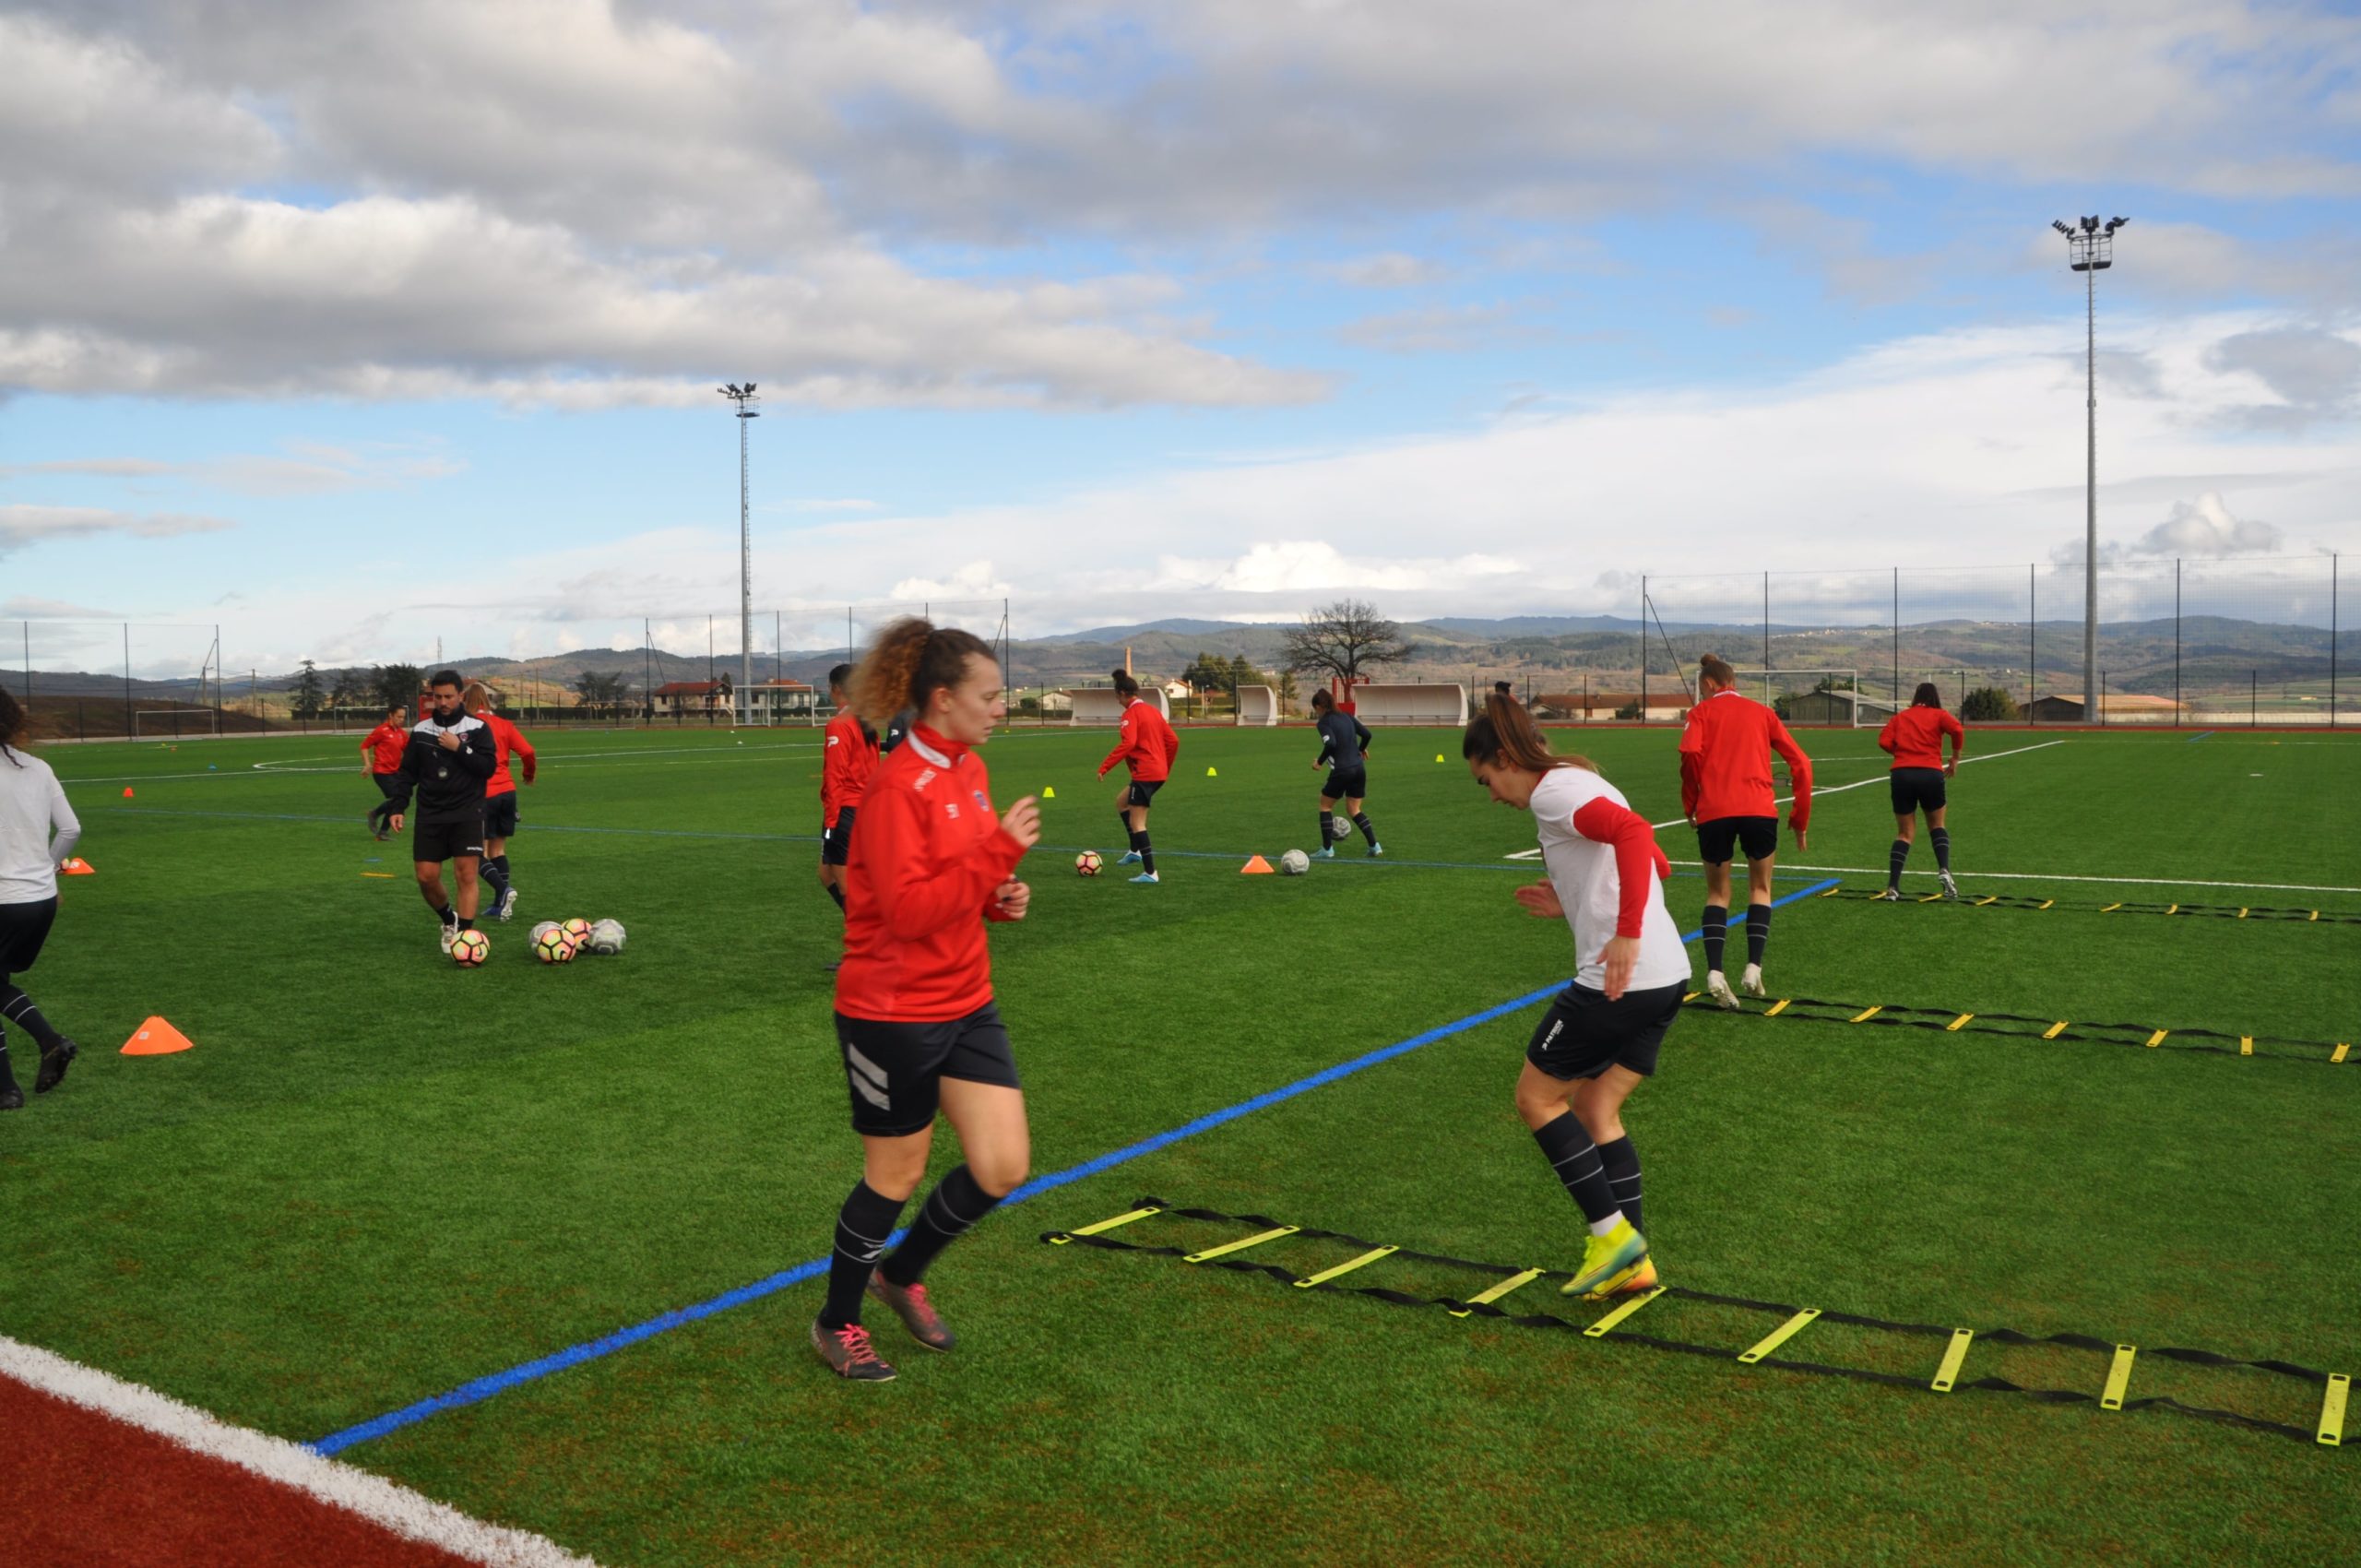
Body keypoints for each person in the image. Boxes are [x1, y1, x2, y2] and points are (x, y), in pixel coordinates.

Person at [814, 618, 1040, 1383]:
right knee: (896, 1176)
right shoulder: (894, 789)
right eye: (991, 694)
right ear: (942, 700)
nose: (1001, 707)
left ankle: (899, 1273)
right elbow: (906, 914)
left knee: (1003, 1165)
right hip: (892, 1012)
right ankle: (836, 1322)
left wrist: (998, 896)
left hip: (967, 1000)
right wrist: (1000, 852)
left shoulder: (968, 771)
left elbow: (958, 888)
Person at [1464, 694, 1687, 1301]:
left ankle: (1612, 1239)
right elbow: (1657, 864)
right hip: (1667, 978)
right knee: (1596, 1110)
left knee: (1536, 1098)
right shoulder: (1578, 781)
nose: (1491, 794)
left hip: (1622, 980)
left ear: (1506, 759)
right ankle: (1631, 1258)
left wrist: (1625, 932)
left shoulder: (1553, 792)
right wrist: (1574, 899)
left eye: (1487, 779)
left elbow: (1638, 835)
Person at [1678, 654, 1812, 1009]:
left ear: (1708, 684)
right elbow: (1801, 763)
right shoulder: (1762, 713)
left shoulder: (1700, 714)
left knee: (1718, 894)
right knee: (1760, 887)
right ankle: (1753, 967)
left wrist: (1690, 802)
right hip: (1758, 811)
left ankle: (1715, 973)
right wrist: (1800, 819)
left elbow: (1690, 753)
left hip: (1714, 813)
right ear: (1732, 681)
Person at [0, 689, 82, 1111]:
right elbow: (70, 830)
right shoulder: (39, 768)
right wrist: (46, 870)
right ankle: (48, 1045)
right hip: (39, 901)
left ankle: (7, 1088)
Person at [381, 671, 501, 954]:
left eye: (449, 696)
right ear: (431, 698)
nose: (443, 702)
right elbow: (407, 773)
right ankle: (449, 919)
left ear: (461, 696)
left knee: (466, 875)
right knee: (426, 876)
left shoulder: (478, 728)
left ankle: (465, 939)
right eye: (438, 697)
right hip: (430, 813)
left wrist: (461, 748)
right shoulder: (421, 731)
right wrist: (398, 806)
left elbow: (487, 768)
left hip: (467, 811)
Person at [1876, 683, 1967, 901]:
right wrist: (1955, 758)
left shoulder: (1901, 717)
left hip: (1901, 775)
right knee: (1937, 825)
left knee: (1905, 833)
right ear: (1935, 697)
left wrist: (1901, 753)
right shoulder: (1939, 715)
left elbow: (1883, 741)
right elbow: (1957, 730)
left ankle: (1893, 887)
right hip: (1930, 774)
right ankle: (1944, 870)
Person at [463, 682, 536, 922]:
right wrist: (528, 774)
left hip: (483, 793)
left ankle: (504, 890)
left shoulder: (467, 727)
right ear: (488, 701)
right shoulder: (504, 724)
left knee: (477, 853)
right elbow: (527, 751)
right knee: (498, 850)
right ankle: (499, 904)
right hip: (508, 791)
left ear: (467, 702)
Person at [1097, 671, 1179, 885]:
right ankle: (1135, 851)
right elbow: (1173, 741)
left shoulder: (1130, 715)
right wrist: (1164, 766)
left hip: (1146, 773)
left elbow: (1129, 743)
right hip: (1156, 772)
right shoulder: (1153, 711)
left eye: (1117, 697)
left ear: (1124, 693)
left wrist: (1105, 766)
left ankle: (1151, 873)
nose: (1117, 701)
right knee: (1121, 802)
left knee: (1138, 823)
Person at [818, 663, 880, 939]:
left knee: (848, 887)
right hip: (862, 811)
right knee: (826, 874)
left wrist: (831, 822)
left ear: (836, 689)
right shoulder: (866, 722)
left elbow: (836, 778)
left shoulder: (839, 725)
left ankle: (869, 947)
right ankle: (869, 940)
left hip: (844, 813)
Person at [1309, 688, 1381, 858]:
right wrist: (1361, 750)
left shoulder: (1324, 723)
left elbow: (1331, 744)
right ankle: (1374, 846)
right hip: (1358, 768)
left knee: (1325, 806)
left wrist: (1319, 762)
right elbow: (1367, 734)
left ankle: (1327, 849)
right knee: (1354, 809)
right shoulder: (1347, 716)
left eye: (1315, 709)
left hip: (1342, 770)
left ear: (1319, 707)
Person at [362, 703, 410, 840]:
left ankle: (377, 820)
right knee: (396, 799)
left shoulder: (402, 734)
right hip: (381, 772)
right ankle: (379, 824)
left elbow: (409, 752)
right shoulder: (381, 731)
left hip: (396, 772)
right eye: (398, 717)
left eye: (403, 717)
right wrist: (367, 764)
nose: (401, 720)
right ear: (391, 715)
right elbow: (364, 746)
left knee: (401, 799)